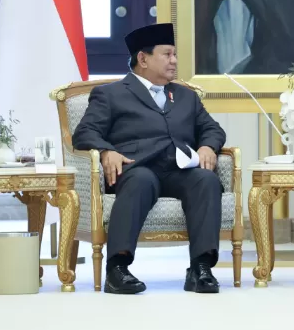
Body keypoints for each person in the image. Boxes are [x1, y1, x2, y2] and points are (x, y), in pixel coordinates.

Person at [72, 23, 226, 294]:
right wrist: (107, 151)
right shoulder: (111, 94)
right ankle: (117, 269)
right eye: (167, 54)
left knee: (206, 180)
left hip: (180, 170)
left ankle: (201, 268)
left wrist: (208, 147)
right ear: (143, 59)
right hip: (137, 169)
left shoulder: (186, 97)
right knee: (141, 180)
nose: (174, 61)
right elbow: (85, 132)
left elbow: (212, 129)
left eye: (175, 54)